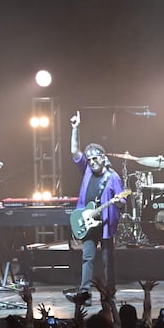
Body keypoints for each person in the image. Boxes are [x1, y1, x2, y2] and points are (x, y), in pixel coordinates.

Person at [66, 111, 125, 305]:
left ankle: (110, 293)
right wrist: (75, 128)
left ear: (103, 157)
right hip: (88, 221)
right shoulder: (87, 171)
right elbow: (74, 151)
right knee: (87, 257)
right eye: (89, 160)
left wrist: (118, 202)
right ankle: (85, 294)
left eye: (95, 159)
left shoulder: (113, 177)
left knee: (108, 260)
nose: (91, 163)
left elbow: (122, 200)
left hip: (105, 223)